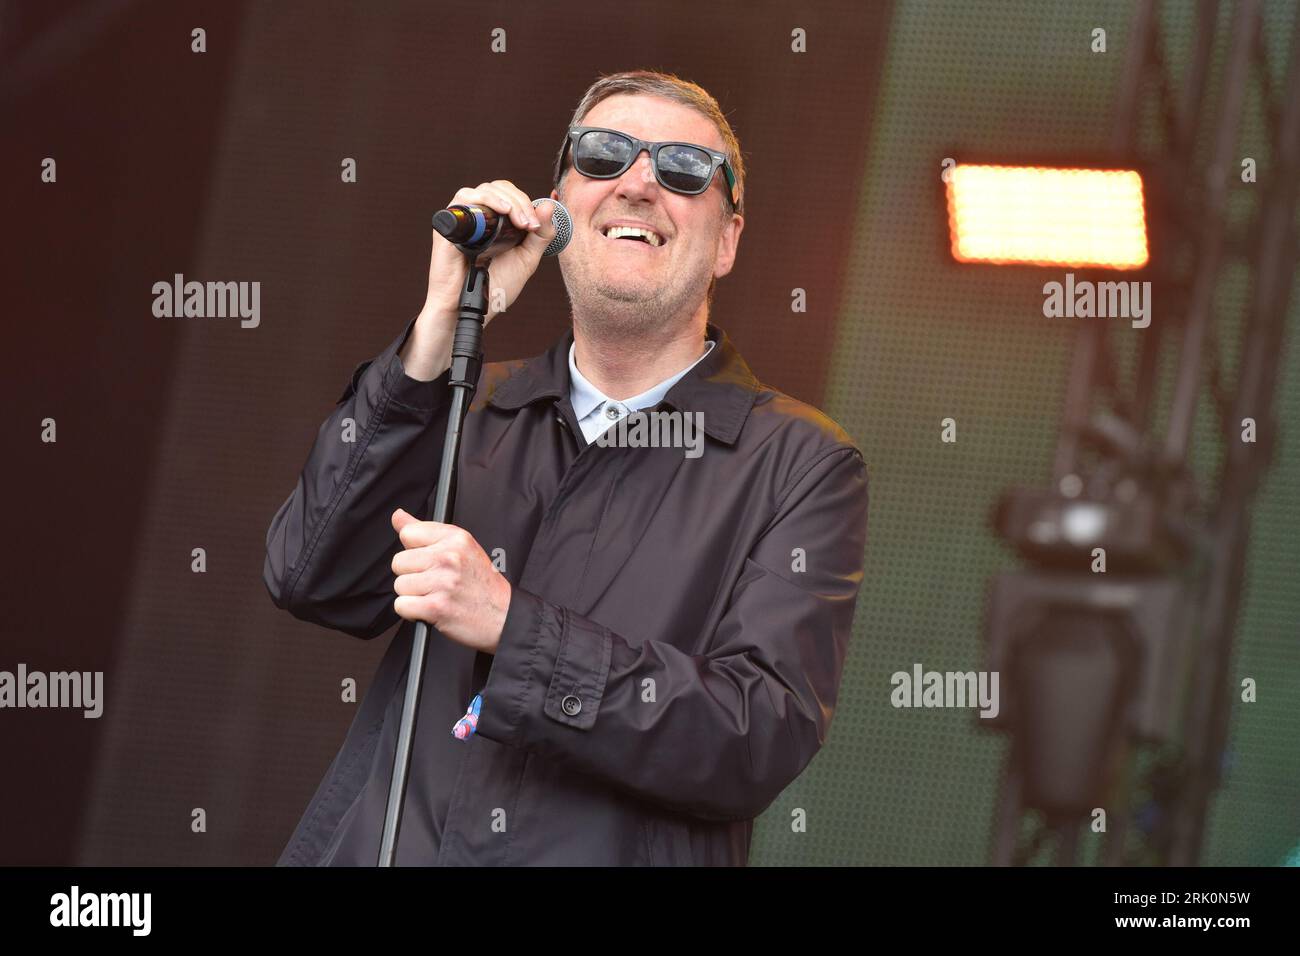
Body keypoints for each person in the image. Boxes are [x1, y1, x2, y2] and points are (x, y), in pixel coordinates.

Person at [264, 69, 870, 866]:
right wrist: (438, 331)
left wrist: (515, 628)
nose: (640, 182)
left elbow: (755, 737)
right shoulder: (464, 398)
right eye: (604, 154)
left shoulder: (800, 463)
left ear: (726, 242)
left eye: (684, 168)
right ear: (553, 215)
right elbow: (311, 575)